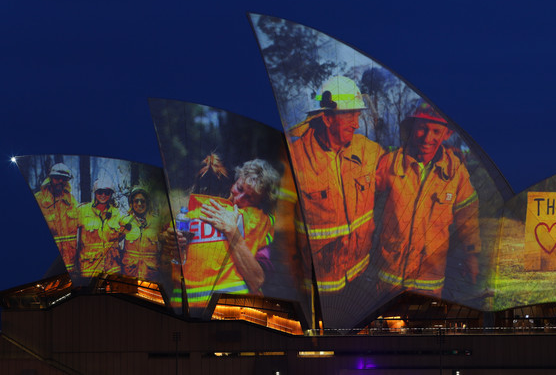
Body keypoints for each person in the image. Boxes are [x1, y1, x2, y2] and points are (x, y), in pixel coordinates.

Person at [287, 75, 384, 296]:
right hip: (319, 288)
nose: (357, 124)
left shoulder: (369, 151)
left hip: (359, 276)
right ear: (328, 118)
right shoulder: (295, 159)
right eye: (350, 115)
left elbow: (398, 171)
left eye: (358, 115)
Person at [375, 102, 480, 297]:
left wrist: (471, 254)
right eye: (422, 128)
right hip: (390, 275)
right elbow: (363, 195)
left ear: (446, 134)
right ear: (412, 127)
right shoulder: (391, 162)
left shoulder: (456, 172)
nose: (427, 137)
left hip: (429, 277)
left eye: (435, 131)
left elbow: (468, 216)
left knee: (426, 323)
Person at [177, 158, 279, 314]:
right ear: (235, 179)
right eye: (239, 188)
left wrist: (232, 231)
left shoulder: (258, 223)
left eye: (249, 198)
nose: (238, 199)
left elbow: (257, 279)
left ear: (259, 205)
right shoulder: (191, 214)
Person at [34, 163, 79, 275]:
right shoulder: (38, 200)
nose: (60, 181)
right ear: (50, 178)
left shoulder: (72, 201)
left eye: (64, 179)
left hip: (72, 267)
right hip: (50, 266)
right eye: (57, 178)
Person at [76, 176, 122, 278]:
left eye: (107, 192)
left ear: (111, 194)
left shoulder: (116, 213)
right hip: (89, 268)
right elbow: (71, 238)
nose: (103, 195)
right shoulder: (82, 211)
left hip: (112, 268)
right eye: (100, 192)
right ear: (95, 192)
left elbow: (123, 237)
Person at [119, 187, 163, 282]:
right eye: (136, 201)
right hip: (129, 273)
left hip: (150, 275)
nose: (139, 204)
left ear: (147, 203)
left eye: (142, 201)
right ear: (131, 204)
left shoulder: (157, 222)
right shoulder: (124, 221)